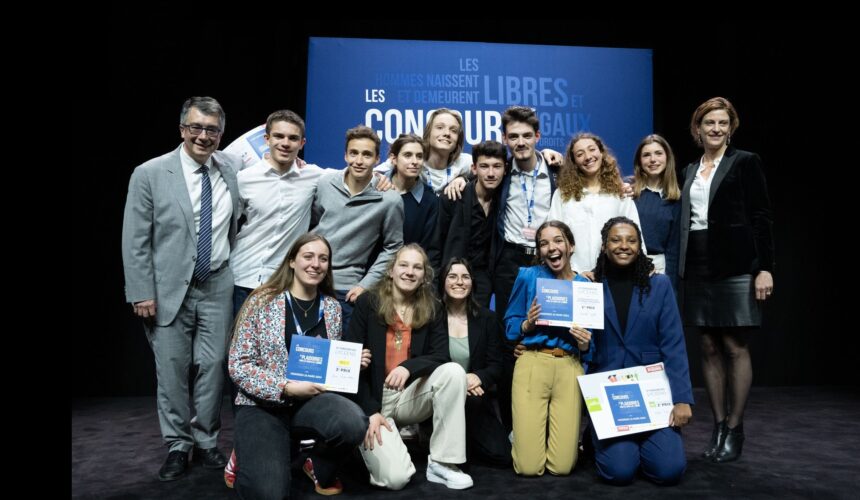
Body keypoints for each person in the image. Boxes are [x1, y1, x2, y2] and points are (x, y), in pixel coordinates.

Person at [122, 96, 239, 480]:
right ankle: (177, 444)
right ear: (182, 130)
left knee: (212, 368)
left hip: (216, 283)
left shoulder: (230, 168)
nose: (203, 136)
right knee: (171, 371)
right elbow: (136, 239)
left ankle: (206, 441)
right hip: (167, 289)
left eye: (211, 130)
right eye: (196, 128)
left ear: (221, 134)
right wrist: (141, 291)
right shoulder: (150, 173)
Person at [229, 233, 368, 498]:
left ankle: (315, 461)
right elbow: (238, 364)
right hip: (262, 406)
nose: (316, 264)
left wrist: (350, 363)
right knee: (269, 492)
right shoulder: (261, 300)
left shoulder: (331, 308)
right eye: (308, 256)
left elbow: (326, 362)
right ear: (292, 261)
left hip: (309, 403)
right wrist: (286, 388)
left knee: (352, 423)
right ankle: (244, 453)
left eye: (323, 259)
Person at [679, 97, 775, 463]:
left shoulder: (745, 162)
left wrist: (763, 267)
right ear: (697, 129)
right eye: (709, 123)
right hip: (698, 263)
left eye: (723, 123)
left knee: (734, 345)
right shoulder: (689, 170)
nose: (716, 129)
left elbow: (761, 215)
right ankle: (718, 424)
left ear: (730, 128)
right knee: (706, 346)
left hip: (735, 265)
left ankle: (736, 427)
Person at [345, 244, 473, 490]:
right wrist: (370, 412)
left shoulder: (432, 306)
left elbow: (440, 356)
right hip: (373, 400)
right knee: (396, 479)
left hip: (407, 396)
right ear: (391, 270)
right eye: (403, 265)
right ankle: (370, 444)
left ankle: (443, 463)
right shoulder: (367, 303)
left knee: (454, 372)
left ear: (424, 276)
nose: (410, 272)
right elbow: (352, 363)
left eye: (417, 267)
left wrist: (408, 367)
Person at [588, 216, 693, 485]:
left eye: (631, 240)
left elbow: (674, 344)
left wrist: (682, 398)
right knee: (619, 472)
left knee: (669, 471)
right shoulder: (589, 286)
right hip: (609, 394)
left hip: (652, 394)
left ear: (639, 246)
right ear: (604, 246)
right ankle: (614, 446)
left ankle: (638, 446)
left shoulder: (659, 285)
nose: (624, 245)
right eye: (616, 239)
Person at [504, 220, 592, 476]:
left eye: (558, 240)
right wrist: (527, 325)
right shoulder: (528, 276)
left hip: (569, 365)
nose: (551, 247)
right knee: (528, 467)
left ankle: (534, 434)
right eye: (543, 243)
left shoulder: (585, 288)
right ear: (539, 251)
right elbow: (510, 326)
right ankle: (522, 435)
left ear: (571, 246)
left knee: (562, 467)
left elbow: (592, 344)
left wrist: (585, 344)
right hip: (533, 361)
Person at [230, 110, 326, 316]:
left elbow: (355, 173)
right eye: (278, 136)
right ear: (267, 139)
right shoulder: (244, 178)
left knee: (280, 347)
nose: (285, 143)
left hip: (284, 281)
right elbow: (227, 225)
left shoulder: (313, 175)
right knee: (238, 346)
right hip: (243, 277)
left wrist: (383, 178)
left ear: (302, 144)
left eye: (293, 138)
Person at [312, 125, 404, 331]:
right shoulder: (325, 183)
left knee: (344, 360)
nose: (359, 161)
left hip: (348, 290)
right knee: (306, 356)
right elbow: (314, 225)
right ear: (345, 155)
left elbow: (393, 247)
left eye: (366, 154)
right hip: (310, 281)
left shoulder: (389, 199)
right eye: (353, 153)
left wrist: (366, 284)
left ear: (377, 159)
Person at [441, 257, 511, 466]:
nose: (459, 282)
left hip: (475, 399)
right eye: (452, 276)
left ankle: (467, 440)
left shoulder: (487, 318)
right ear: (443, 282)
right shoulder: (432, 317)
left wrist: (479, 377)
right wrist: (461, 380)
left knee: (503, 457)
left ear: (473, 283)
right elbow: (427, 360)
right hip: (441, 398)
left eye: (465, 277)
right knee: (461, 460)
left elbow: (497, 365)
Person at [549, 132, 644, 274]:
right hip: (574, 274)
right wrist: (569, 271)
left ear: (601, 153)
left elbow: (635, 233)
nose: (588, 157)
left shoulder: (620, 192)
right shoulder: (562, 195)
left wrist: (644, 264)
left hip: (613, 274)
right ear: (574, 162)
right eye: (580, 154)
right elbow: (553, 235)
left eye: (592, 149)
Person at [432, 140, 507, 306]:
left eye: (497, 166)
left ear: (505, 169)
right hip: (452, 275)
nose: (491, 173)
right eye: (484, 166)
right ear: (474, 168)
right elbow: (436, 244)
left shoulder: (505, 198)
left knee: (479, 326)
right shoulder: (453, 196)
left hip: (484, 278)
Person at [376, 108, 472, 196]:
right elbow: (373, 173)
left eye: (453, 130)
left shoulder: (464, 161)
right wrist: (380, 178)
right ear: (428, 133)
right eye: (440, 127)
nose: (447, 133)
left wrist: (463, 179)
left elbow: (484, 174)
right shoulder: (413, 159)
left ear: (458, 139)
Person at [631, 134, 681, 290]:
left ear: (667, 158)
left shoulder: (676, 199)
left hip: (659, 271)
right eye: (646, 155)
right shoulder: (628, 192)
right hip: (627, 267)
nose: (653, 159)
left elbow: (674, 249)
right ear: (640, 161)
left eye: (658, 153)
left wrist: (670, 286)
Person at [385, 133, 439, 255]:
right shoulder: (376, 187)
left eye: (419, 156)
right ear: (394, 159)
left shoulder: (430, 201)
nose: (415, 161)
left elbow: (428, 249)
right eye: (407, 155)